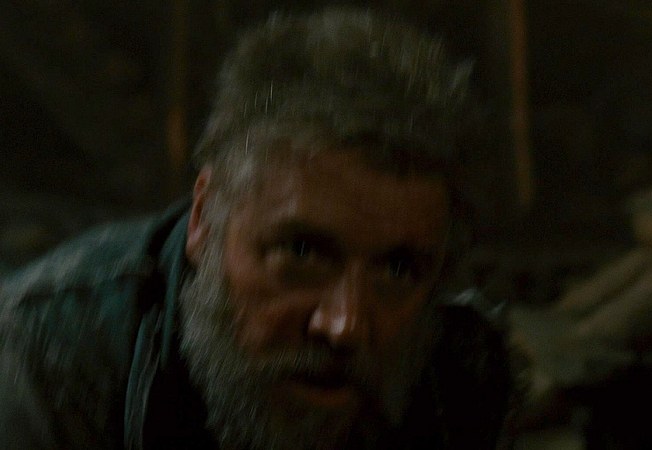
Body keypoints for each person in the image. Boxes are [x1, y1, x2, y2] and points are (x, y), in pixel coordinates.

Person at [0, 8, 515, 449]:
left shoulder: (461, 374)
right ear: (204, 219)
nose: (345, 325)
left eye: (398, 270)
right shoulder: (51, 358)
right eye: (302, 253)